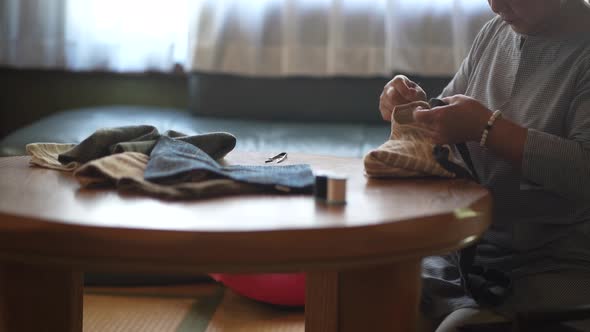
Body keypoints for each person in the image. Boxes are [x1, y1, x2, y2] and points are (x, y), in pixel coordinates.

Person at [379, 0, 590, 331]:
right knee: (368, 285)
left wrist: (487, 129)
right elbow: (446, 125)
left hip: (554, 263)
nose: (495, 5)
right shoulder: (498, 31)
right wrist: (414, 106)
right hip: (467, 245)